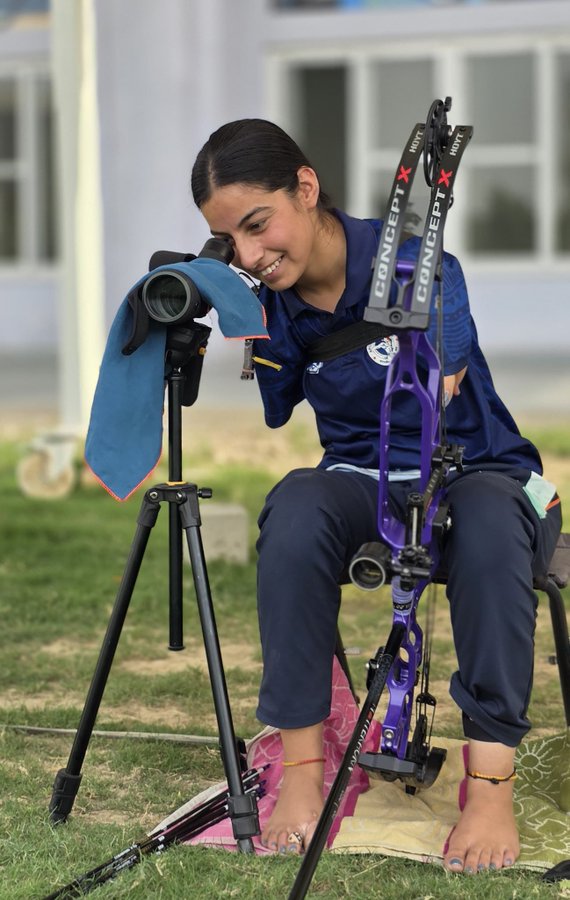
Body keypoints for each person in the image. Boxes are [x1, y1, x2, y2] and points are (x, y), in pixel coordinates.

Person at [190, 119, 562, 873]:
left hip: (474, 470)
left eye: (258, 225)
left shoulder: (426, 264)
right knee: (296, 505)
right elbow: (277, 406)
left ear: (305, 187)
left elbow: (440, 382)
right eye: (230, 242)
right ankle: (303, 773)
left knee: (490, 525)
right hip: (362, 479)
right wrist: (226, 316)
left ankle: (490, 788)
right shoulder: (274, 307)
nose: (251, 255)